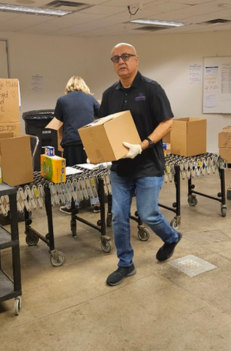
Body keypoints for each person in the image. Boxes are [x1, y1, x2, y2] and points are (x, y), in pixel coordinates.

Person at [100, 43, 181, 287]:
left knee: (147, 214)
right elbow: (102, 124)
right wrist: (103, 150)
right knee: (118, 216)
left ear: (136, 60)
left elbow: (167, 122)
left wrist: (143, 144)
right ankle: (126, 264)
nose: (121, 61)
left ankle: (172, 237)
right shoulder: (109, 94)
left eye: (125, 56)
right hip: (120, 169)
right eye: (115, 58)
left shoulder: (152, 89)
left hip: (147, 165)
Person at [53, 76, 101, 214]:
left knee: (72, 173)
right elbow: (100, 113)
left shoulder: (62, 100)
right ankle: (96, 202)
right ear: (83, 85)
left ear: (69, 86)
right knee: (90, 172)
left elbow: (59, 118)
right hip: (88, 140)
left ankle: (71, 204)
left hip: (71, 140)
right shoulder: (90, 98)